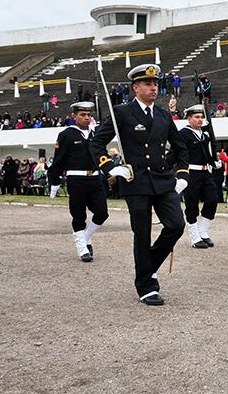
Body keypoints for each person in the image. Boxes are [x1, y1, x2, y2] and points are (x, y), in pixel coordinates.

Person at [90, 64, 190, 306]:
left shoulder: (164, 115)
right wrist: (109, 167)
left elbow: (180, 147)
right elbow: (96, 143)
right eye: (147, 83)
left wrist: (183, 175)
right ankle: (146, 286)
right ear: (135, 88)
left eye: (155, 83)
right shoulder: (122, 113)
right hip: (136, 183)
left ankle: (148, 265)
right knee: (142, 233)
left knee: (176, 225)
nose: (153, 87)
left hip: (163, 181)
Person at [47, 101, 109, 262]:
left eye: (89, 115)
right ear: (74, 116)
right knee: (78, 215)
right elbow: (59, 160)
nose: (86, 118)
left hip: (95, 178)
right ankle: (82, 248)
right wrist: (55, 180)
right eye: (82, 115)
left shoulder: (96, 134)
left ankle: (86, 237)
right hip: (76, 179)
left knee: (102, 212)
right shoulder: (67, 135)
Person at [179, 105, 220, 249]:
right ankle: (195, 236)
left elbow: (208, 151)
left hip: (205, 172)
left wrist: (214, 160)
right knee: (192, 205)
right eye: (196, 117)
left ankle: (202, 230)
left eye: (202, 117)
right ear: (189, 118)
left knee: (212, 200)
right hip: (191, 172)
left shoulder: (205, 133)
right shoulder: (183, 134)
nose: (200, 119)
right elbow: (179, 153)